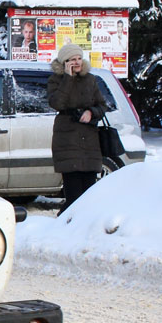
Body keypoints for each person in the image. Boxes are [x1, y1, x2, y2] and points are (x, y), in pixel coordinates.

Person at [47, 42, 108, 213]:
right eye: (72, 59)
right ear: (65, 62)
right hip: (67, 140)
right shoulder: (55, 80)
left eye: (79, 58)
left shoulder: (90, 79)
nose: (77, 62)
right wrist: (68, 78)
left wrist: (91, 112)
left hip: (89, 140)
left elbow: (103, 105)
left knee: (89, 194)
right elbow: (57, 103)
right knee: (73, 196)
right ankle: (67, 226)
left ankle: (84, 228)